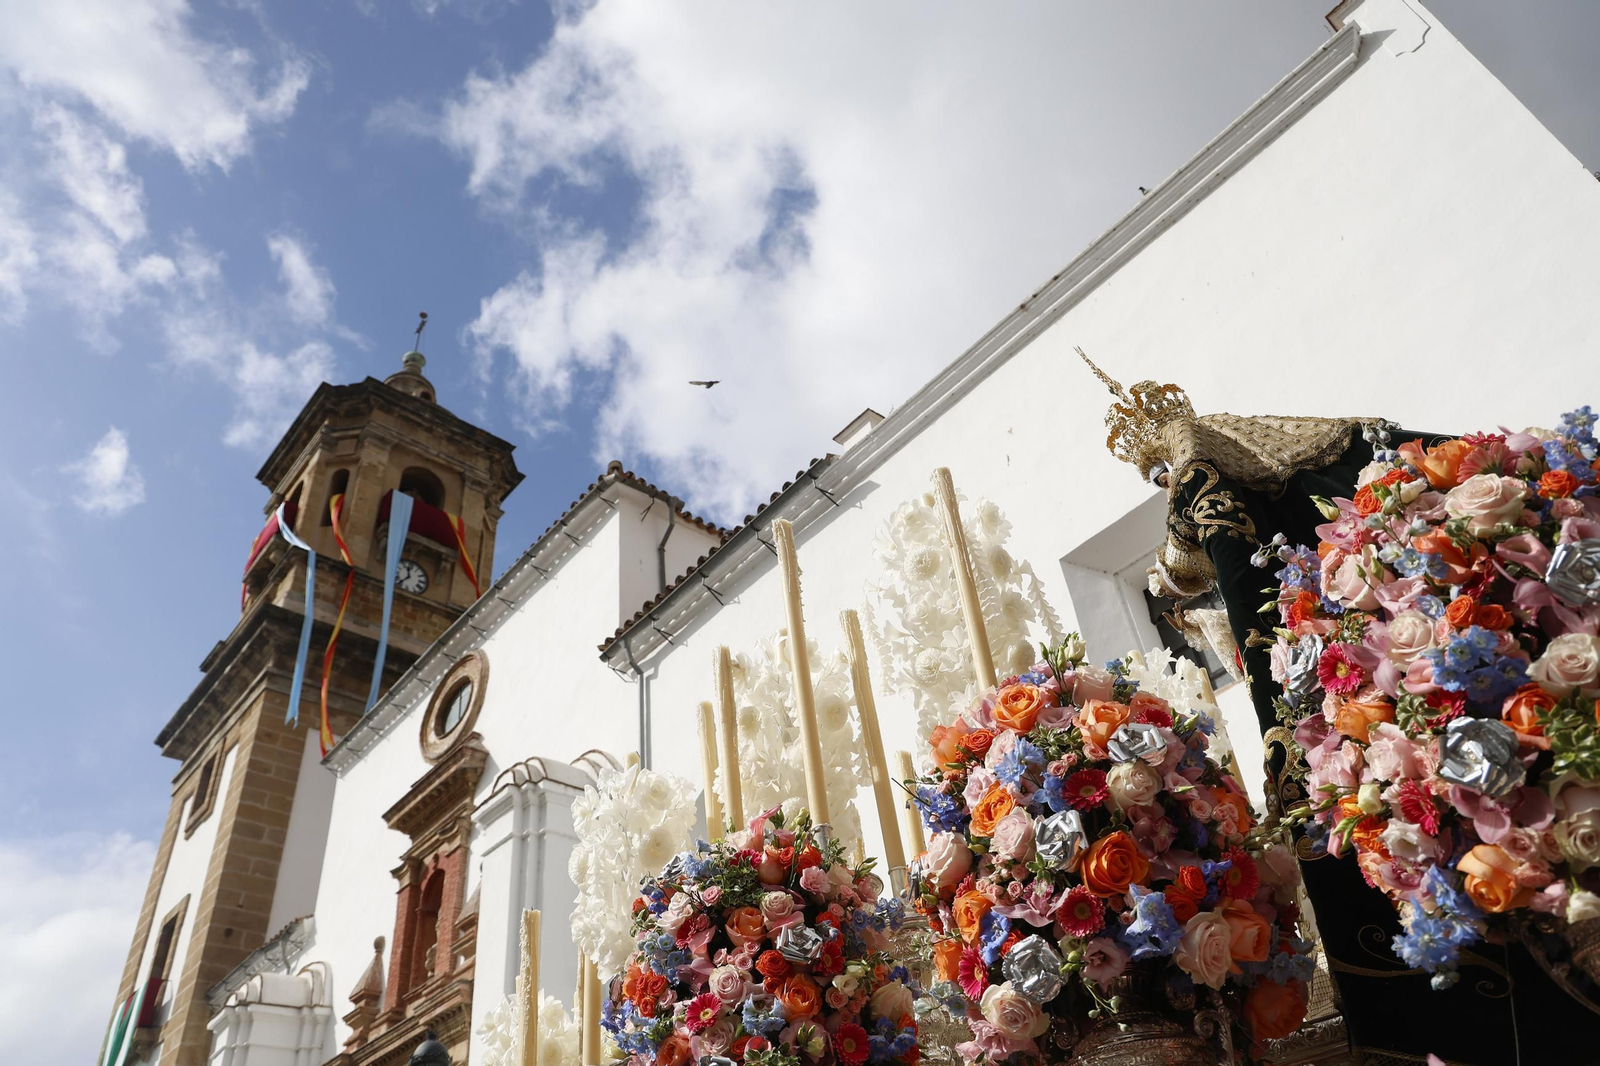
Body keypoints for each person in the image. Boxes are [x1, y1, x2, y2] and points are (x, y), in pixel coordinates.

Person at [1078, 349, 1598, 1065]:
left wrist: (1173, 583)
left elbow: (1194, 560)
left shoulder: (1193, 466)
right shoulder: (1289, 436)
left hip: (1331, 656)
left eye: (1160, 480)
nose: (1167, 482)